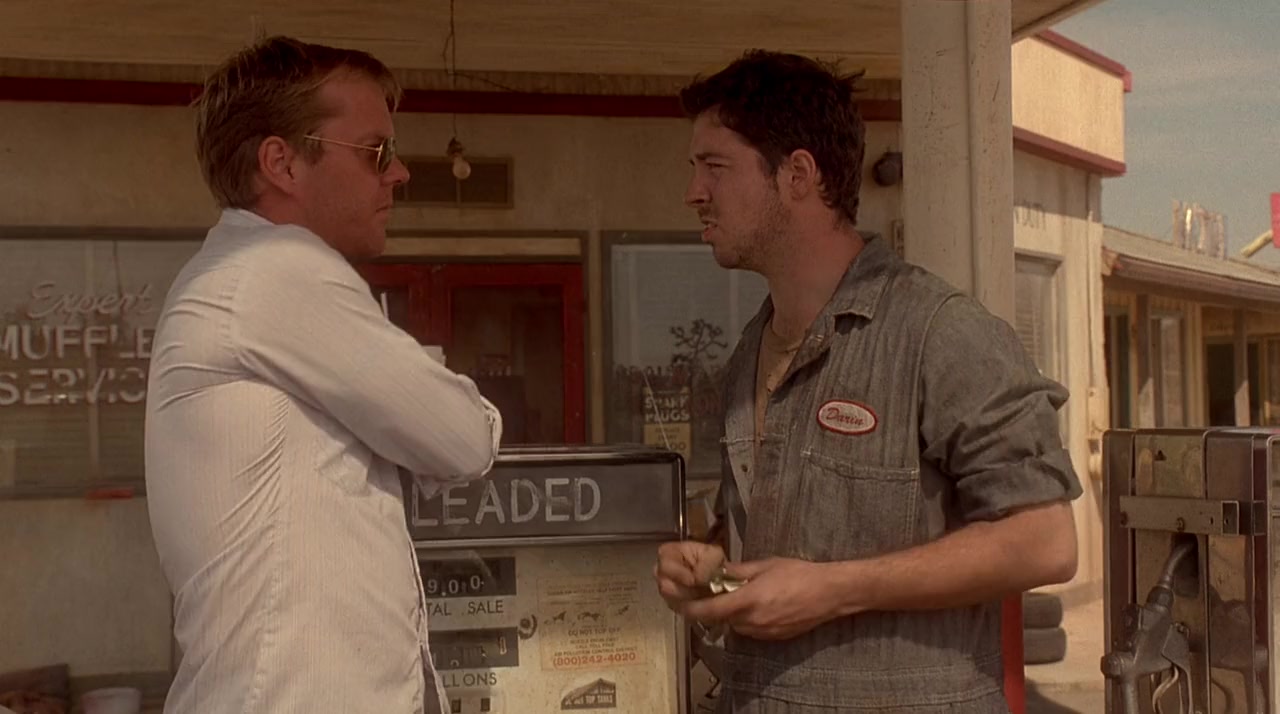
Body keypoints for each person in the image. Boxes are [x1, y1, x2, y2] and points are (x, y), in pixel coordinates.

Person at [653, 50, 1082, 713]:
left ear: (798, 175)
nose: (694, 192)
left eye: (715, 166)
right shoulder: (749, 352)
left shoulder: (940, 332)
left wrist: (834, 589)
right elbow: (789, 544)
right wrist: (713, 570)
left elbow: (1046, 541)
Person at [144, 36, 501, 714]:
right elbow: (462, 438)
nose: (399, 173)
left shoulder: (238, 277)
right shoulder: (276, 269)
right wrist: (437, 386)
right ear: (281, 163)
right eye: (375, 151)